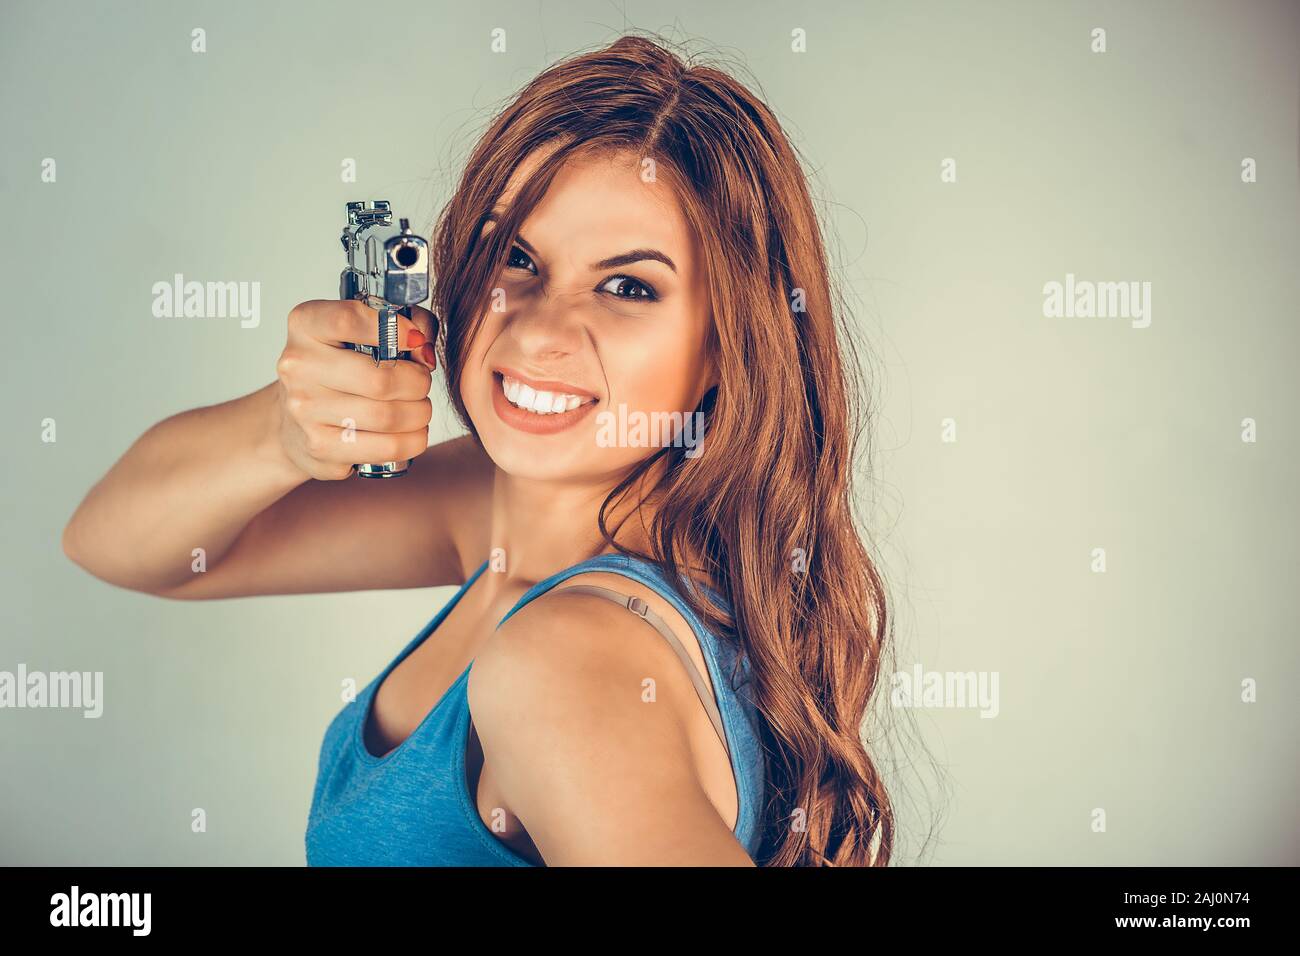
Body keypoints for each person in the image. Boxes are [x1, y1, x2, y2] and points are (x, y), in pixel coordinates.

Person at [63, 33, 894, 866]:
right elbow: (116, 544)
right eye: (516, 256)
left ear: (728, 346)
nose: (537, 331)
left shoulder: (567, 660)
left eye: (627, 286)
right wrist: (284, 428)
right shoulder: (496, 508)